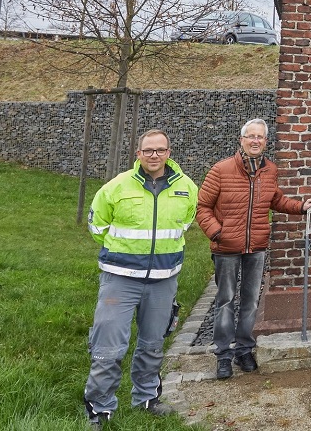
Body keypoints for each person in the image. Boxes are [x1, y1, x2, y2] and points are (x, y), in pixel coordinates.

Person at [84, 129, 198, 426]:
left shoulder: (187, 187)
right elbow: (97, 226)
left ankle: (147, 398)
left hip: (163, 279)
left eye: (160, 150)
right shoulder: (117, 187)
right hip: (120, 279)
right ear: (138, 154)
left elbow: (185, 222)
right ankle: (100, 407)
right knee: (108, 347)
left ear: (169, 152)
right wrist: (125, 252)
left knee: (152, 344)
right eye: (148, 150)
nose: (154, 155)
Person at [196, 118, 311, 380]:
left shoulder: (269, 170)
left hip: (257, 247)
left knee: (250, 302)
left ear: (265, 142)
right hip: (226, 247)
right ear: (241, 140)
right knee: (226, 301)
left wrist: (301, 206)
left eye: (260, 137)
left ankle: (244, 349)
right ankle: (223, 355)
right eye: (250, 136)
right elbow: (202, 207)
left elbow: (276, 200)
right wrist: (218, 233)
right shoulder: (221, 170)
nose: (255, 141)